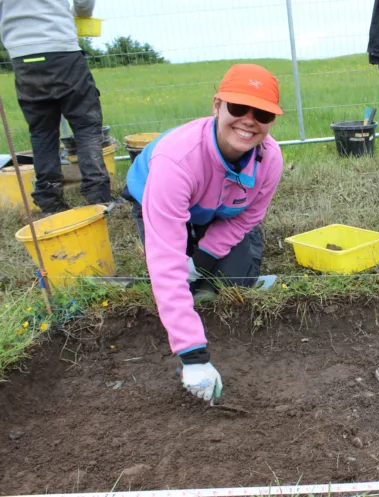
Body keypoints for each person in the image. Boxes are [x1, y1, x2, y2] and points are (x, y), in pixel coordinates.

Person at [121, 64, 284, 403]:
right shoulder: (177, 161)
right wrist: (193, 357)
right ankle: (184, 302)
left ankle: (199, 263)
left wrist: (201, 259)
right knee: (171, 274)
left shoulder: (270, 159)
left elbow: (248, 217)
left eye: (263, 113)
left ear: (272, 120)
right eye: (238, 108)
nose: (249, 120)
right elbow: (166, 259)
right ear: (216, 106)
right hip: (161, 198)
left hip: (220, 213)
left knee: (235, 281)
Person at [0, 0, 112, 215]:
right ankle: (98, 196)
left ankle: (50, 202)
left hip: (22, 56)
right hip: (62, 50)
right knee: (86, 126)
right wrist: (82, 13)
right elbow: (83, 2)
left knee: (42, 132)